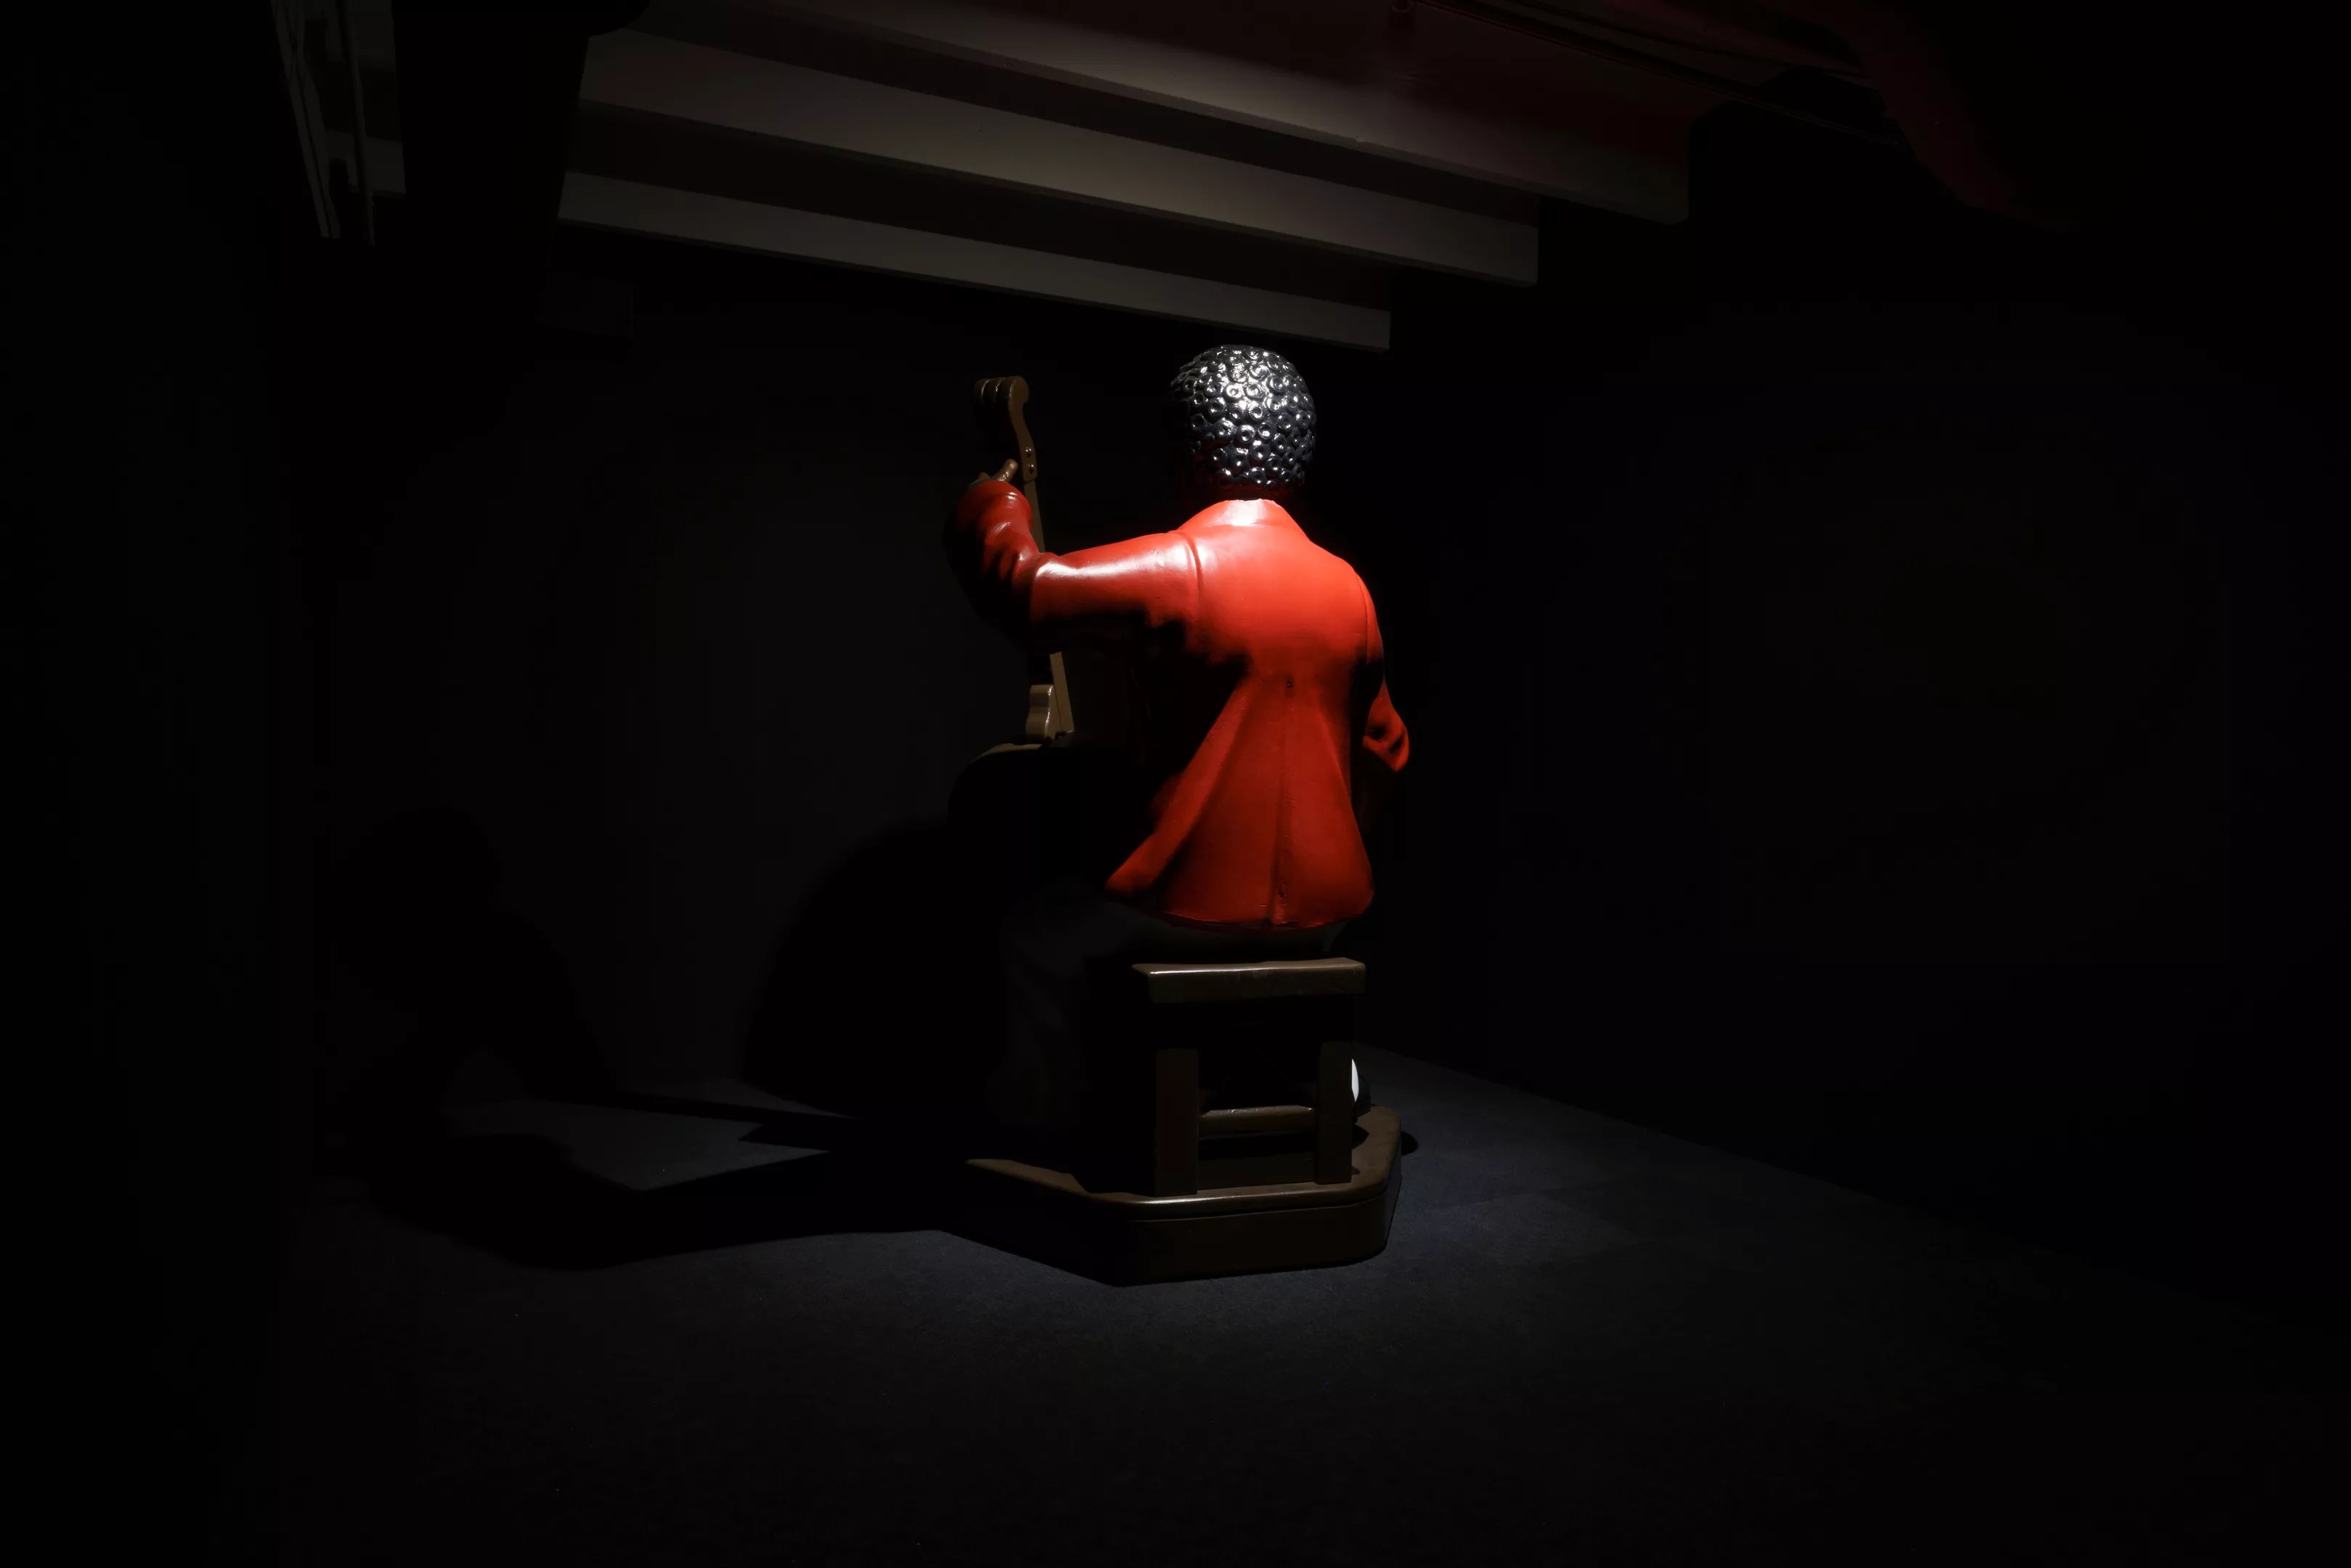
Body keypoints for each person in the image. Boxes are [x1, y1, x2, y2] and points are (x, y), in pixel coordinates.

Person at [946, 345, 1409, 1144]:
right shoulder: (1350, 588)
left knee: (1036, 940)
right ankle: (1307, 1071)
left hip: (1185, 903)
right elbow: (1387, 749)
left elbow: (1024, 588)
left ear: (1190, 453)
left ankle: (1045, 1119)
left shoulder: (1180, 565)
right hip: (1328, 910)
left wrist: (997, 495)